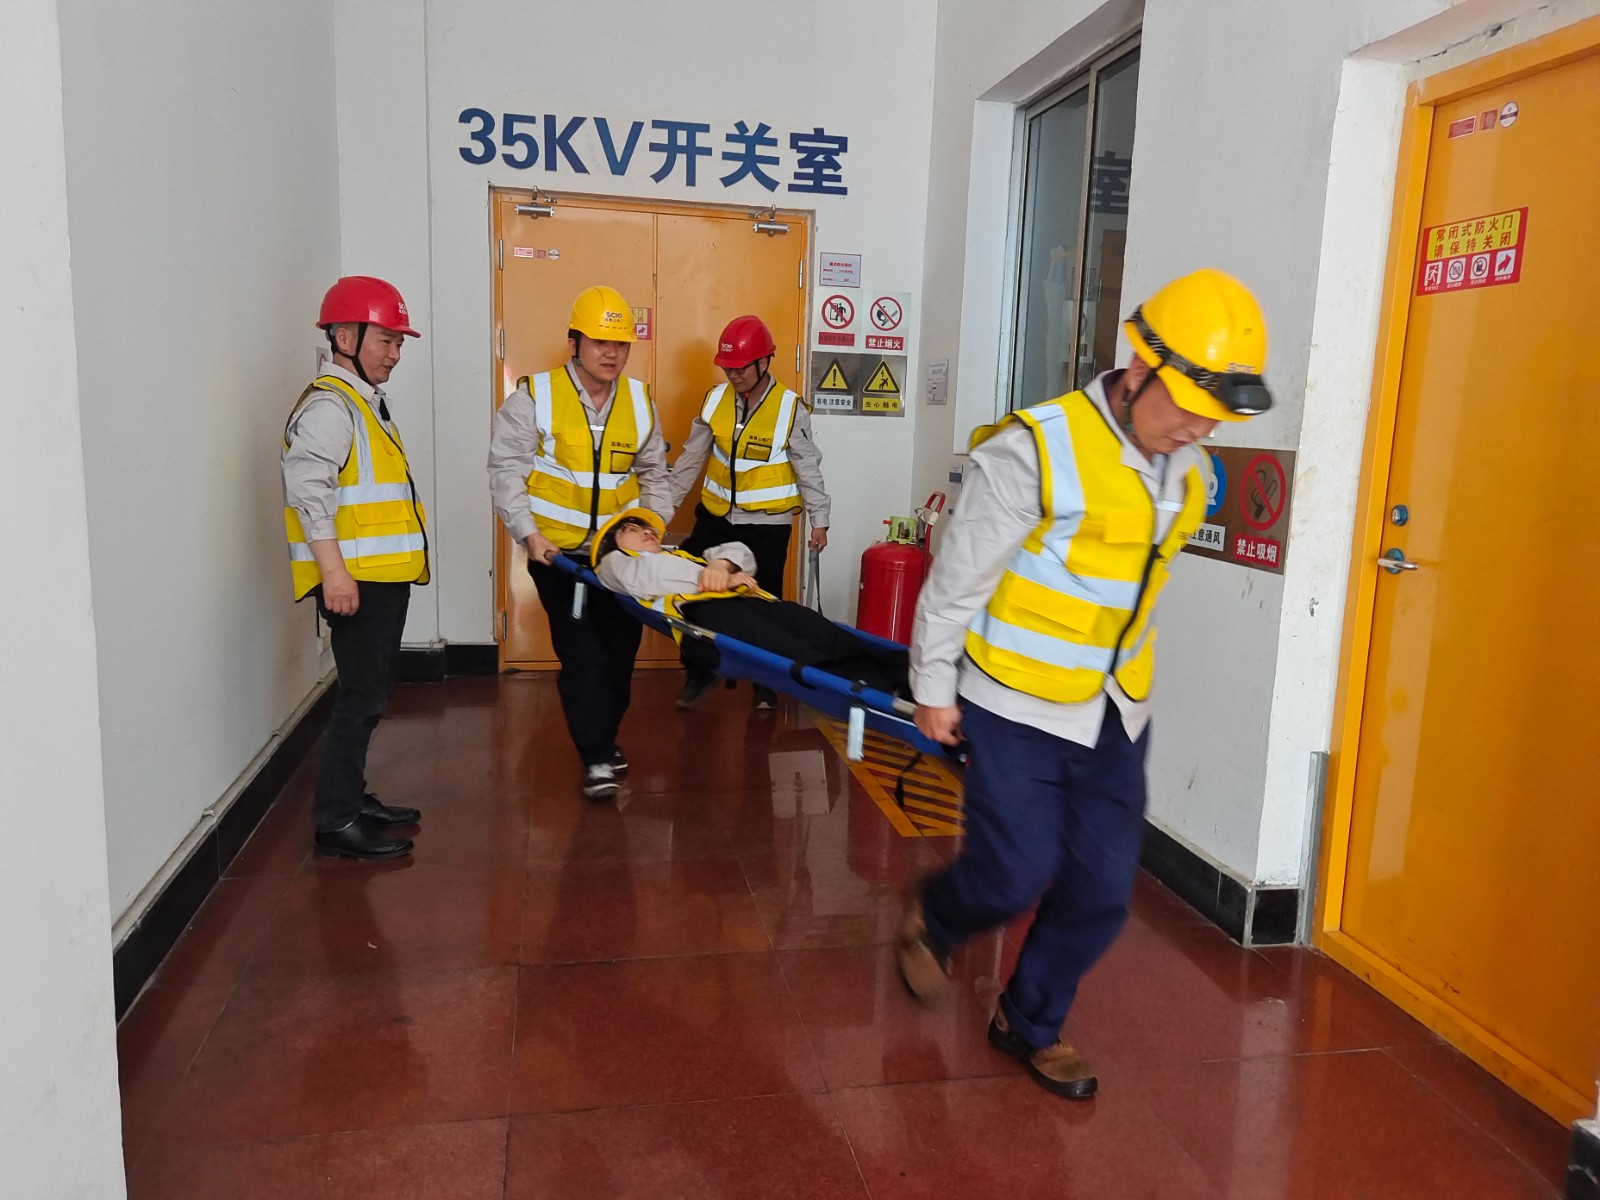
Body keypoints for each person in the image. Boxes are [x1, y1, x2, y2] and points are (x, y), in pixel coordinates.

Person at [898, 269, 1273, 1099]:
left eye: (1214, 416)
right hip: (1014, 701)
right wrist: (933, 685)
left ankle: (1028, 1021)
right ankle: (938, 916)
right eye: (1187, 406)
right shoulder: (1034, 449)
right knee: (1014, 872)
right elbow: (956, 578)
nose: (1198, 428)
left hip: (1114, 711)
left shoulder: (1190, 471)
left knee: (1103, 890)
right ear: (1138, 368)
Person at [487, 285, 671, 801]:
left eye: (620, 344)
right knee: (582, 656)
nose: (611, 354)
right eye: (599, 342)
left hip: (618, 558)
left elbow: (656, 474)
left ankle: (602, 738)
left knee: (619, 657)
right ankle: (595, 756)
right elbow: (505, 471)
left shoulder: (639, 402)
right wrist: (529, 535)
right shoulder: (534, 397)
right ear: (574, 343)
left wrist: (652, 529)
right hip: (558, 557)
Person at [282, 276, 429, 860]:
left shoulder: (362, 401)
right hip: (357, 581)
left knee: (369, 696)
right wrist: (335, 574)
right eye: (387, 341)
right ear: (345, 337)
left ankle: (351, 796)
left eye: (399, 343)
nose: (395, 354)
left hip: (381, 577)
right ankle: (336, 820)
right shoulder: (330, 407)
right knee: (360, 701)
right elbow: (308, 495)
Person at [669, 314, 831, 711]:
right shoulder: (714, 400)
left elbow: (808, 467)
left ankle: (765, 684)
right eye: (727, 367)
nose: (733, 374)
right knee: (694, 591)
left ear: (764, 362)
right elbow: (690, 459)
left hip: (767, 527)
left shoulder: (789, 408)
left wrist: (820, 519)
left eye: (741, 367)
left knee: (763, 605)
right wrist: (660, 510)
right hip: (715, 518)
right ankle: (699, 671)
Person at [591, 508, 907, 696]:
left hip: (752, 601)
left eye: (646, 527)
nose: (646, 531)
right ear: (612, 545)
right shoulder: (615, 564)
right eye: (631, 529)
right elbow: (646, 580)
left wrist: (722, 566)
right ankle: (877, 687)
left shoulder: (683, 553)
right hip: (707, 618)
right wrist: (723, 578)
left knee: (827, 634)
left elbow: (740, 552)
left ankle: (906, 672)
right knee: (794, 651)